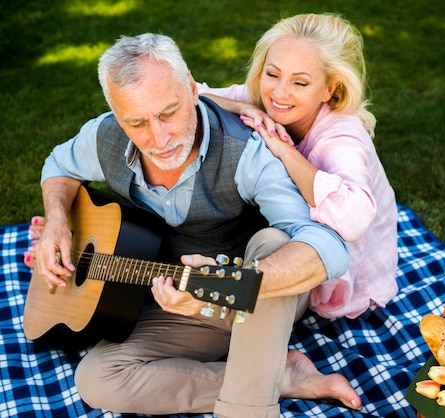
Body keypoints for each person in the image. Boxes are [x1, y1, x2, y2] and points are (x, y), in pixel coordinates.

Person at [31, 32, 362, 416]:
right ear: (117, 115)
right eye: (136, 123)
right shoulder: (105, 135)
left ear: (191, 88)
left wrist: (227, 284)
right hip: (171, 297)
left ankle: (246, 406)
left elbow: (326, 246)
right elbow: (59, 165)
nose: (159, 138)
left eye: (169, 113)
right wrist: (57, 220)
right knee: (97, 378)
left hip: (258, 298)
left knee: (274, 240)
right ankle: (280, 375)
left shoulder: (248, 153)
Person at [197, 13, 398, 319]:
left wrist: (284, 150)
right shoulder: (261, 99)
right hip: (290, 235)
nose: (279, 93)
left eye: (300, 82)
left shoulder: (342, 138)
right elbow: (187, 95)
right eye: (272, 74)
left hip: (345, 272)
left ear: (330, 89)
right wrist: (243, 106)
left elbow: (354, 218)